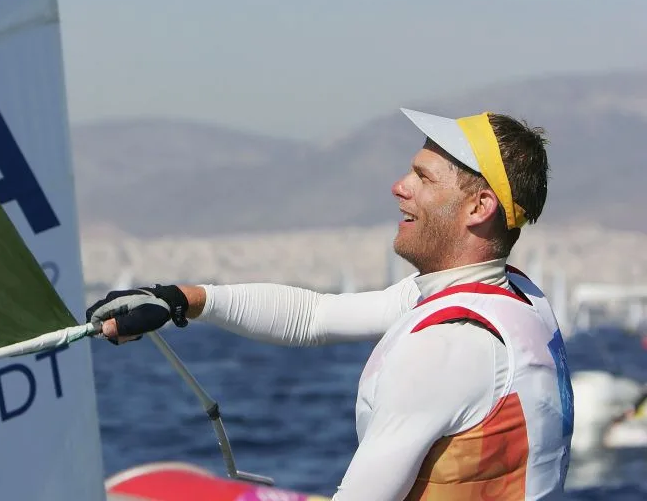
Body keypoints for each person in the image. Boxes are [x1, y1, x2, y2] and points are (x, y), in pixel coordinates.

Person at [86, 108, 575, 500]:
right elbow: (313, 316)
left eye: (423, 178)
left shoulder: (451, 346)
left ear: (478, 207)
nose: (398, 186)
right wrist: (182, 299)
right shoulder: (512, 297)